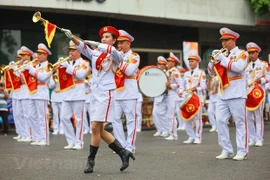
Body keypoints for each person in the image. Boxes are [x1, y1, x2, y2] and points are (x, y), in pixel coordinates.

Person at [63, 26, 135, 173]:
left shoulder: (116, 54)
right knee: (98, 130)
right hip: (95, 93)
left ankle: (90, 161)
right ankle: (123, 152)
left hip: (107, 93)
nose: (104, 38)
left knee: (96, 127)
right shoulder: (96, 53)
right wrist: (72, 37)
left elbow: (116, 55)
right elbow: (83, 47)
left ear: (114, 40)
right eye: (103, 36)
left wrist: (96, 43)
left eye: (108, 37)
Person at [208, 27, 249, 160]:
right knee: (219, 120)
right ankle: (226, 149)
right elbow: (211, 73)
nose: (223, 43)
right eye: (222, 41)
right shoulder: (223, 55)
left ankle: (242, 151)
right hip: (223, 93)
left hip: (237, 93)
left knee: (240, 122)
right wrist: (212, 62)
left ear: (233, 40)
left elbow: (237, 68)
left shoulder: (243, 54)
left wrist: (222, 59)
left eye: (226, 40)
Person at [112, 29, 140, 153]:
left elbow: (128, 71)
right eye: (118, 43)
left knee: (130, 120)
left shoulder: (134, 56)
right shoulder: (116, 55)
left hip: (129, 92)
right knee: (115, 119)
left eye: (122, 42)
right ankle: (121, 145)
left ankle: (130, 146)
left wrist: (119, 60)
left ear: (128, 43)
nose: (119, 45)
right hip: (117, 91)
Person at [59, 40, 90, 150]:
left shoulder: (85, 63)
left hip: (78, 94)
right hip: (67, 94)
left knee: (79, 119)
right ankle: (71, 141)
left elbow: (81, 75)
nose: (70, 53)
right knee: (63, 118)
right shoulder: (69, 63)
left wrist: (68, 67)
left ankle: (79, 142)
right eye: (70, 50)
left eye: (73, 50)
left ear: (79, 51)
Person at [24, 43, 53, 146]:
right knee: (31, 116)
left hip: (41, 93)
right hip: (33, 92)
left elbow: (43, 77)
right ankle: (37, 137)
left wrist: (31, 69)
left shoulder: (49, 65)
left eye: (41, 54)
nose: (38, 55)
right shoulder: (36, 65)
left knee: (42, 117)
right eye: (38, 53)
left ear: (46, 55)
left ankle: (45, 139)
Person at [245, 42, 269, 147]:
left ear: (257, 53)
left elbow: (269, 77)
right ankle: (252, 138)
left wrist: (262, 80)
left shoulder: (264, 64)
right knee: (248, 117)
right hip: (248, 94)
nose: (251, 55)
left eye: (253, 53)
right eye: (249, 53)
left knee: (258, 117)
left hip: (259, 94)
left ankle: (259, 138)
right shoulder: (246, 66)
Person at [180, 52, 206, 144]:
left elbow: (204, 86)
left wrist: (196, 88)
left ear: (197, 62)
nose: (190, 63)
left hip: (196, 98)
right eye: (190, 61)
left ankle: (198, 137)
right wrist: (181, 91)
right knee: (187, 118)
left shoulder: (201, 73)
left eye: (192, 61)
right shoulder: (186, 73)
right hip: (187, 98)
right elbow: (182, 85)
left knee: (197, 119)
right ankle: (191, 136)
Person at [164, 52, 183, 140]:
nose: (167, 63)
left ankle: (173, 134)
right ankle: (171, 132)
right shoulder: (169, 71)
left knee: (172, 115)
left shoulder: (175, 72)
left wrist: (170, 86)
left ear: (173, 63)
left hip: (174, 94)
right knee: (169, 115)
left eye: (169, 61)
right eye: (167, 61)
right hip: (170, 94)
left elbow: (180, 83)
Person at [152, 56, 170, 137]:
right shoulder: (156, 73)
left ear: (164, 65)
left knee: (163, 114)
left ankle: (167, 129)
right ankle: (159, 129)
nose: (159, 65)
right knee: (155, 113)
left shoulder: (167, 73)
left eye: (161, 64)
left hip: (165, 96)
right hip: (157, 96)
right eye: (158, 64)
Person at [48, 58, 66, 135]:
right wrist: (53, 77)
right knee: (55, 113)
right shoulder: (53, 75)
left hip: (62, 95)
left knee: (62, 114)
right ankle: (56, 128)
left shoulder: (65, 74)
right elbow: (50, 86)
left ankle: (62, 128)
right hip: (55, 95)